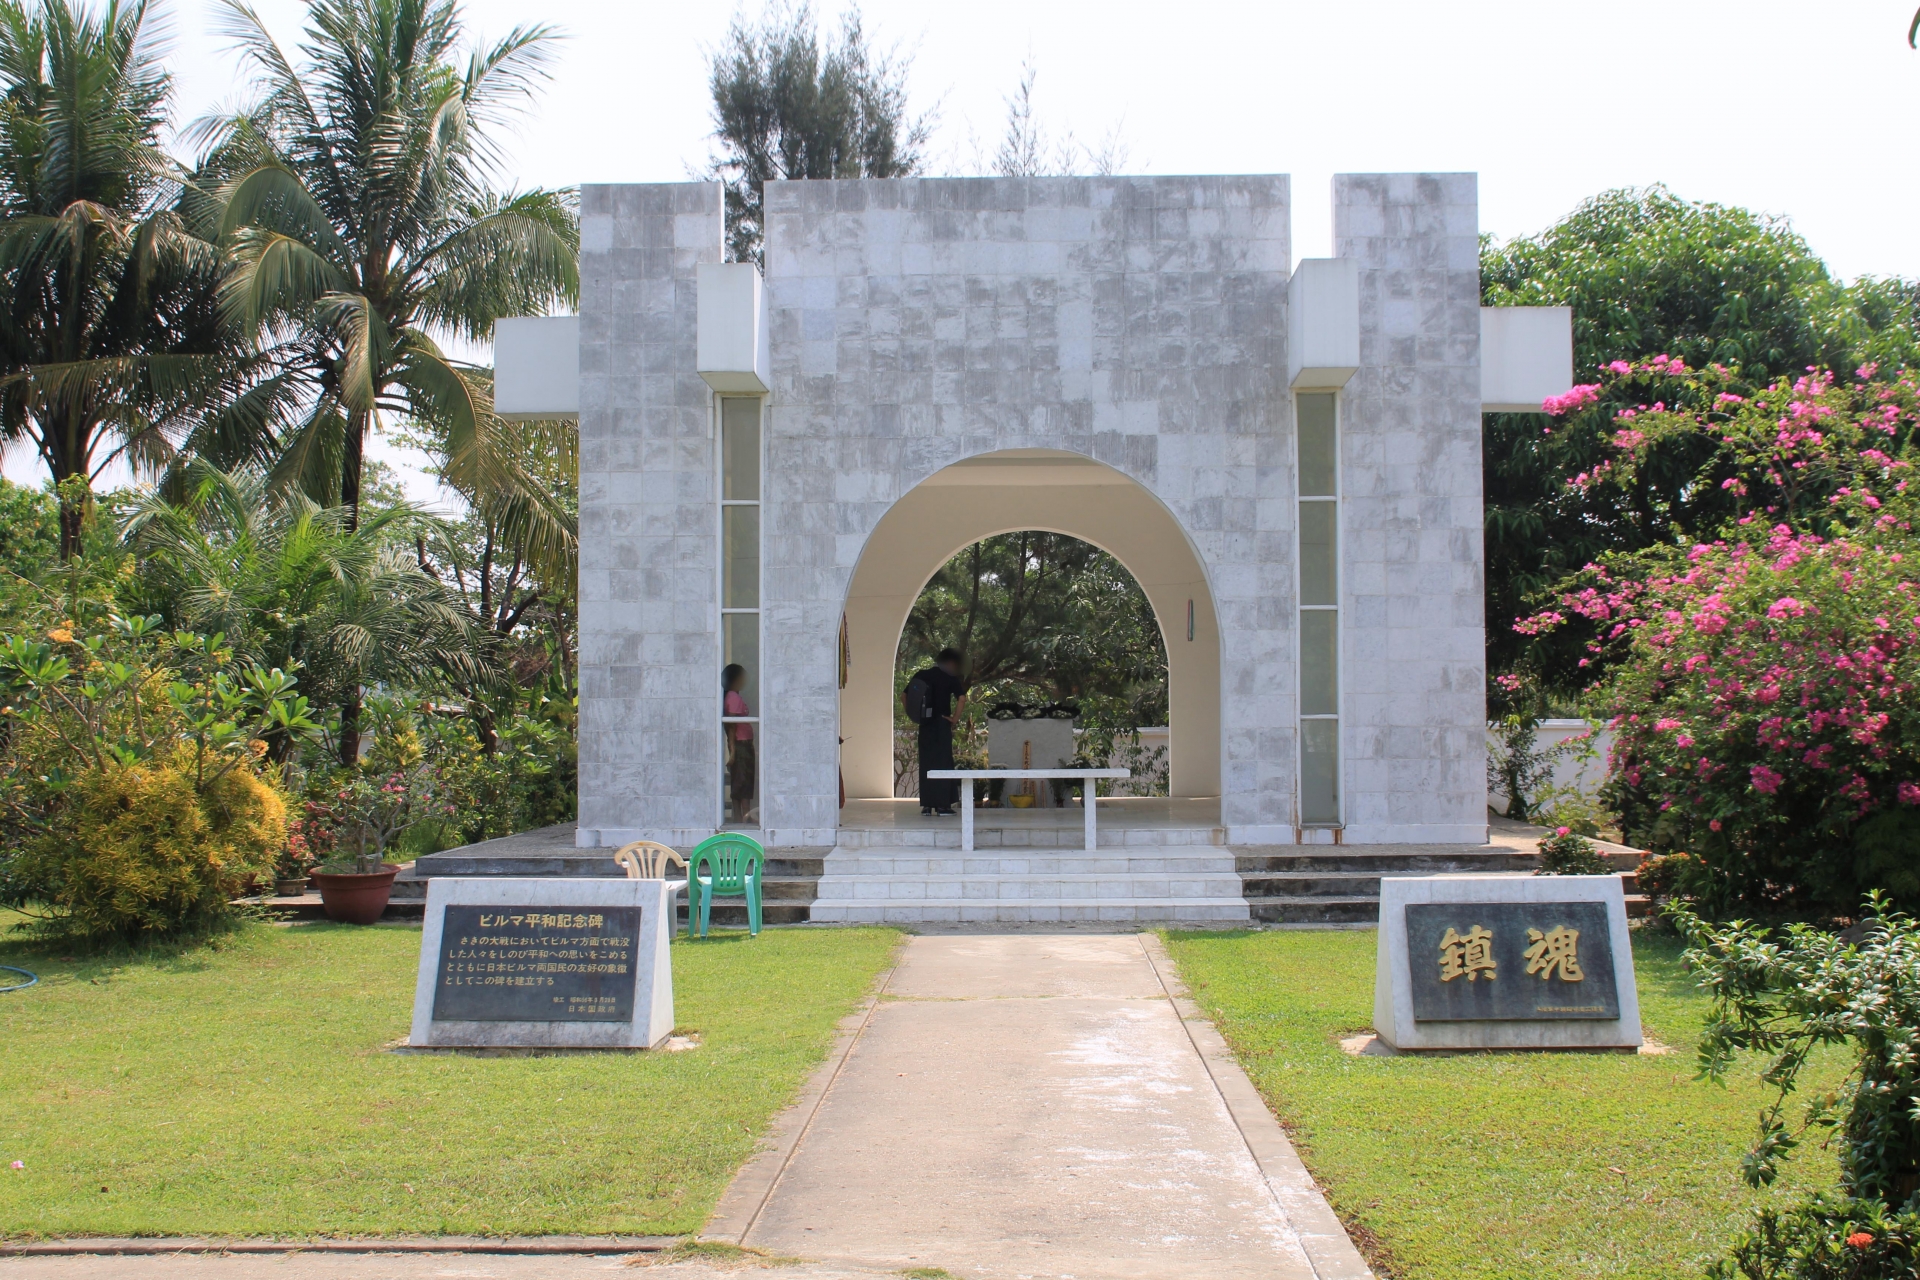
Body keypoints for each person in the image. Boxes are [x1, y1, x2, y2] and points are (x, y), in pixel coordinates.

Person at [908, 648, 968, 816]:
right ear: (950, 662)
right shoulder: (949, 677)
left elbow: (904, 696)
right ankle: (943, 806)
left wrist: (915, 716)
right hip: (942, 724)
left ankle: (927, 806)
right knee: (943, 763)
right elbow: (962, 698)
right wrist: (954, 719)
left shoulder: (921, 674)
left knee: (927, 763)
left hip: (925, 725)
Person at [723, 663, 756, 824]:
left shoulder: (733, 696)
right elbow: (731, 726)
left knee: (740, 782)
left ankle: (740, 817)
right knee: (743, 783)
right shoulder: (733, 697)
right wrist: (733, 751)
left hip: (742, 745)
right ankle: (744, 817)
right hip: (741, 745)